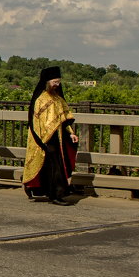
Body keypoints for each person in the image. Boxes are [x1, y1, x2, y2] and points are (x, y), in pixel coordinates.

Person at [22, 66, 79, 205]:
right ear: (47, 82)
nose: (57, 85)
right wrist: (42, 141)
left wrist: (71, 133)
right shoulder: (40, 99)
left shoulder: (59, 99)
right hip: (43, 139)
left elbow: (64, 118)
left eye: (59, 82)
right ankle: (54, 195)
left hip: (58, 138)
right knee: (51, 167)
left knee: (56, 166)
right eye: (55, 82)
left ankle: (52, 192)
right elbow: (35, 122)